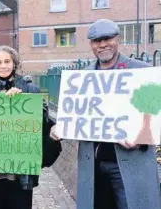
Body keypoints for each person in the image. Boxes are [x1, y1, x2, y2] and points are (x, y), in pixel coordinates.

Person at [50, 19, 161, 209]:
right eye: (96, 41)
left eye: (107, 38)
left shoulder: (141, 70)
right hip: (93, 166)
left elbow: (155, 113)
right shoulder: (82, 76)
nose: (102, 45)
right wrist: (60, 127)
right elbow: (75, 114)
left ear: (117, 39)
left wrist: (142, 138)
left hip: (130, 164)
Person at [0, 45, 61, 209]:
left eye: (7, 61)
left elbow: (42, 120)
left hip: (21, 171)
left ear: (14, 63)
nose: (3, 66)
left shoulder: (29, 88)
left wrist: (23, 100)